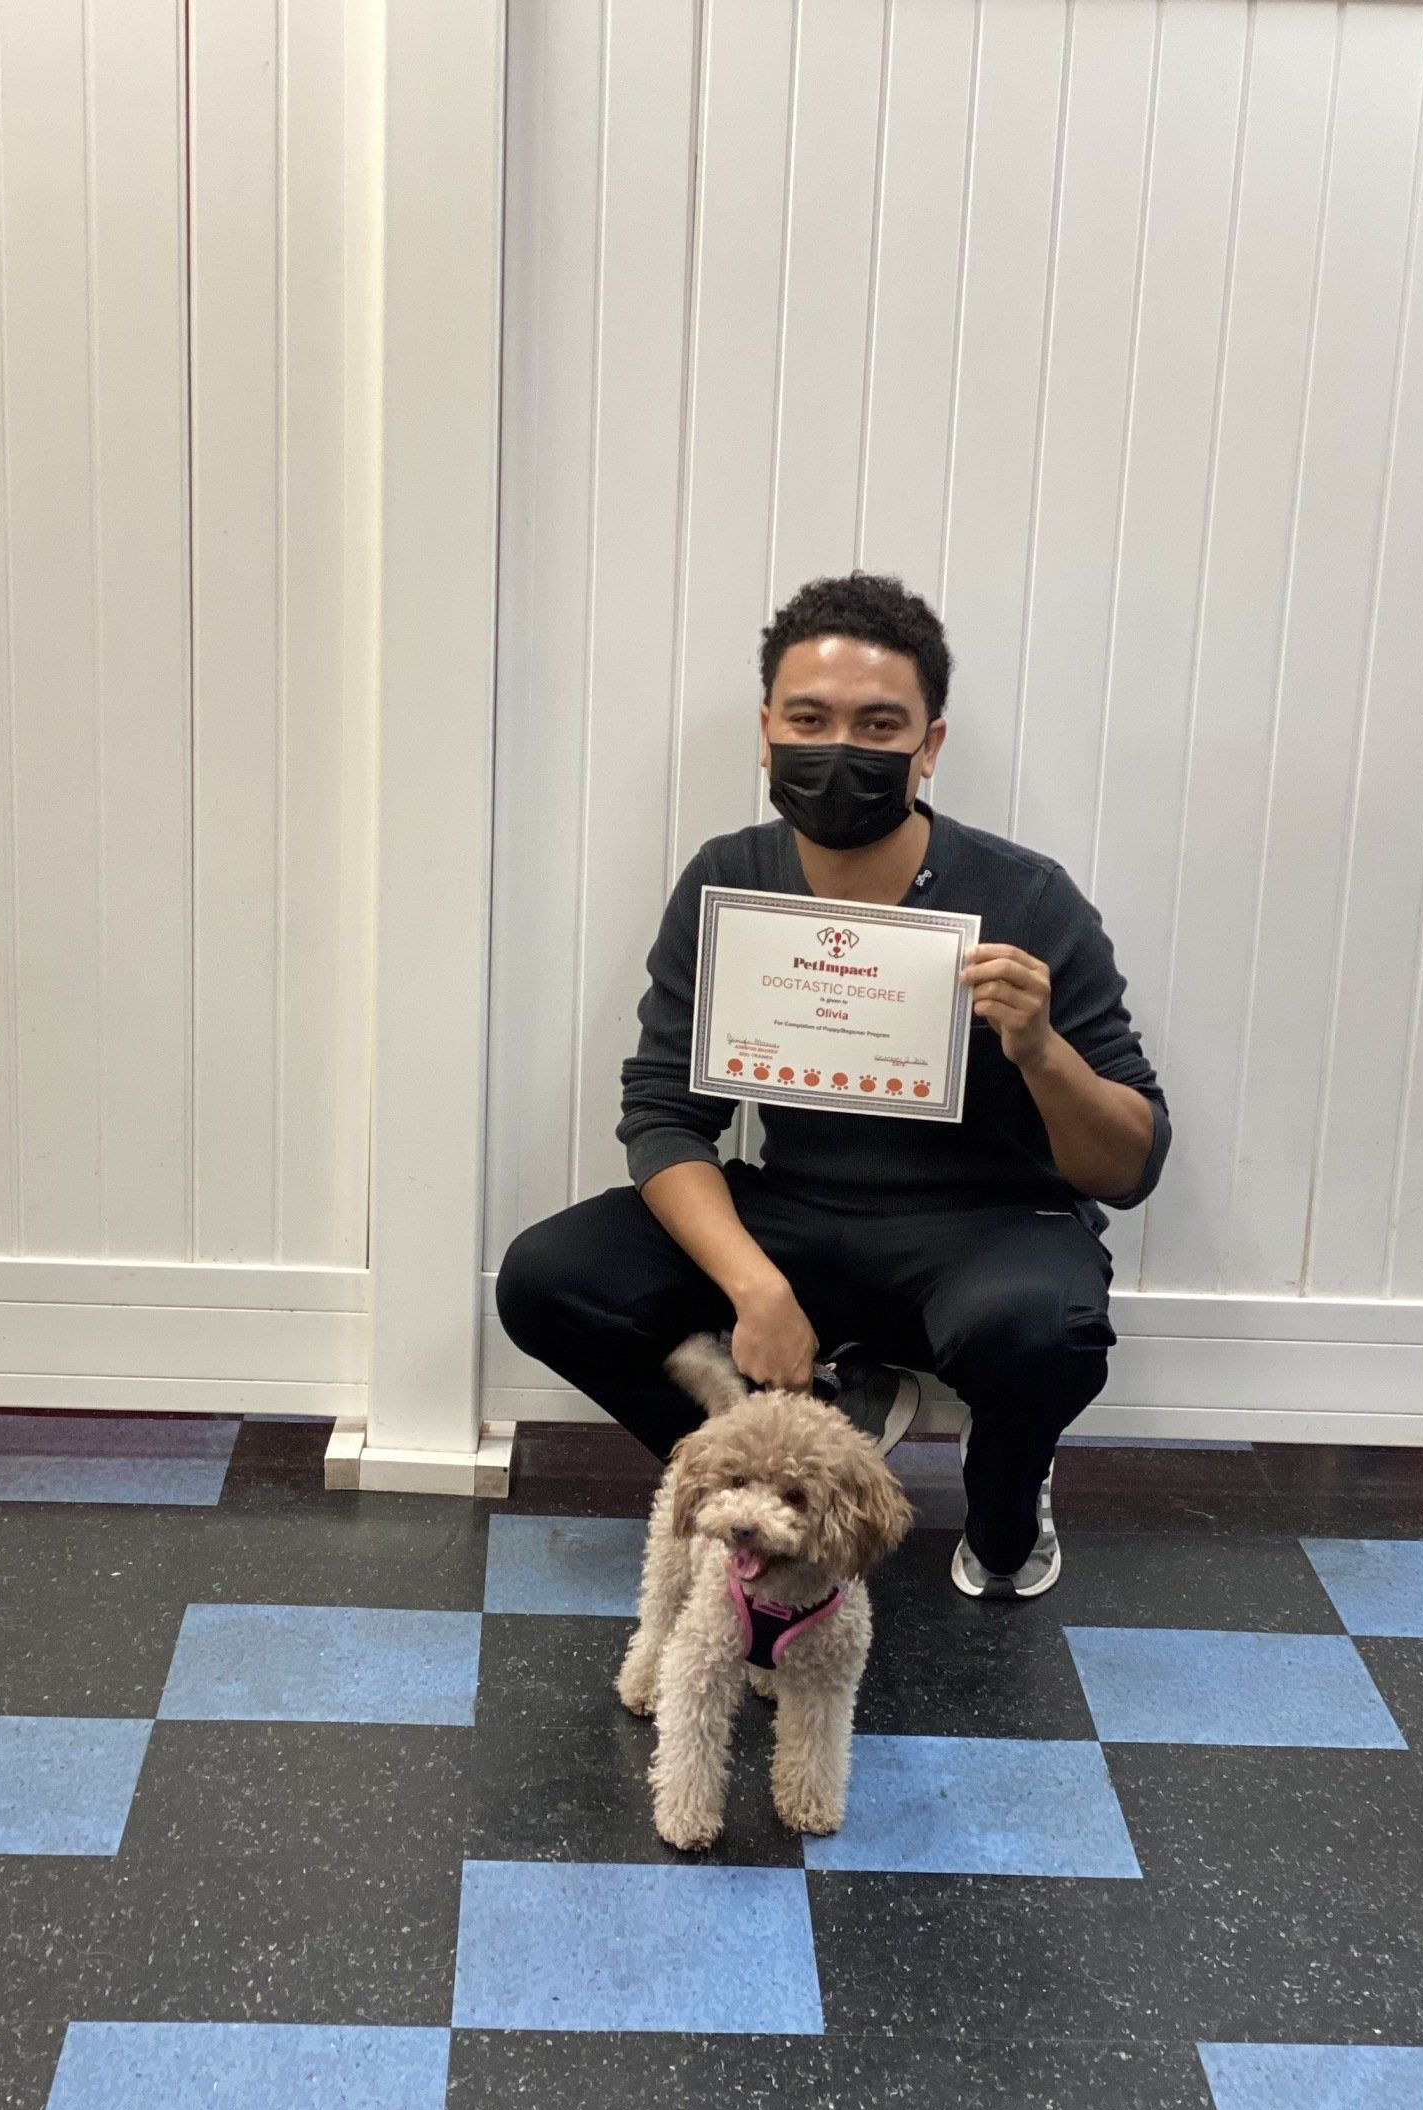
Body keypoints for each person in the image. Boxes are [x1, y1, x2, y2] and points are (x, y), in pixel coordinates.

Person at [497, 571, 1169, 1600]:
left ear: (929, 744)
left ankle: (1005, 1504)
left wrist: (1041, 1050)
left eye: (879, 722)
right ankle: (783, 1465)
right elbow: (666, 1112)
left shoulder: (1024, 896)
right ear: (766, 731)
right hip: (797, 1216)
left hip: (985, 1229)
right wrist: (755, 1289)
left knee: (1043, 1334)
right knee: (549, 1277)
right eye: (809, 719)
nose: (838, 747)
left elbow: (1129, 1164)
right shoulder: (732, 877)